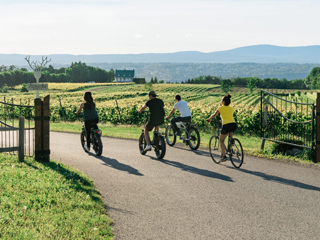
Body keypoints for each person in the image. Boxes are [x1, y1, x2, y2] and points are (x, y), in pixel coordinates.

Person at [206, 94, 237, 161]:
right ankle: (231, 143)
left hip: (226, 125)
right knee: (230, 132)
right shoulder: (232, 108)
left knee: (221, 140)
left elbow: (214, 115)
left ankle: (224, 156)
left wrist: (209, 119)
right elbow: (228, 115)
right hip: (233, 124)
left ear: (223, 102)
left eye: (221, 100)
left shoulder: (220, 108)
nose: (221, 101)